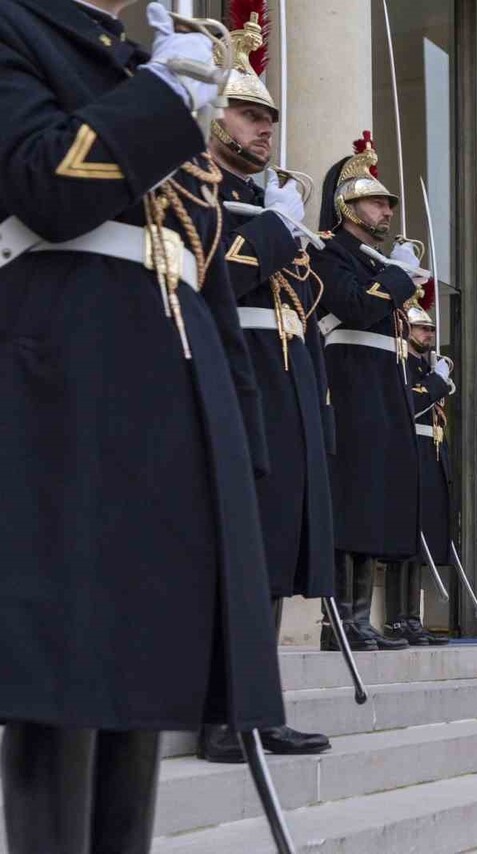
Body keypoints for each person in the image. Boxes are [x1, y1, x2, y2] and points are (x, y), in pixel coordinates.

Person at [0, 2, 284, 850]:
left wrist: (239, 430)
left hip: (171, 385)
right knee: (62, 673)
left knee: (141, 672)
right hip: (69, 378)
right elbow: (49, 184)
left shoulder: (134, 61)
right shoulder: (19, 30)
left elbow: (196, 262)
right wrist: (163, 96)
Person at [199, 0, 332, 764]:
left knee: (274, 556)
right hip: (236, 369)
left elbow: (308, 295)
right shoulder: (199, 185)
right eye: (249, 114)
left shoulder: (265, 198)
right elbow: (223, 273)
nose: (264, 129)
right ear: (217, 117)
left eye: (269, 118)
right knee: (236, 553)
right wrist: (278, 231)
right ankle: (221, 714)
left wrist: (284, 230)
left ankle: (257, 705)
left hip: (284, 384)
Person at [313, 131, 436, 652]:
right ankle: (336, 620)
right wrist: (401, 280)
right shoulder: (329, 253)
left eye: (387, 203)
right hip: (348, 388)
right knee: (350, 506)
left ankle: (361, 618)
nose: (386, 211)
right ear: (346, 203)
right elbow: (355, 307)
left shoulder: (374, 263)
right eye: (376, 201)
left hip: (381, 392)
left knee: (373, 505)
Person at [383, 300, 453, 646]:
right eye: (422, 328)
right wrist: (438, 384)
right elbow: (406, 405)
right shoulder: (400, 363)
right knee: (406, 545)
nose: (429, 334)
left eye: (430, 329)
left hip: (429, 457)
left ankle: (412, 617)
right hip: (408, 453)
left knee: (421, 544)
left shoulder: (426, 368)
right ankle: (397, 620)